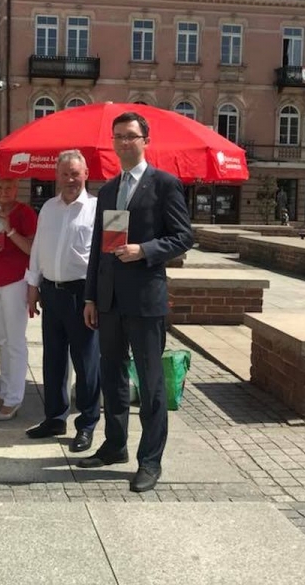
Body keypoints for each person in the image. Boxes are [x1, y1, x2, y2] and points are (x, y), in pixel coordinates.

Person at [81, 112, 193, 493]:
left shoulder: (164, 185)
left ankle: (150, 460)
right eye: (118, 136)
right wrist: (91, 296)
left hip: (145, 301)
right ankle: (115, 445)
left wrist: (143, 250)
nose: (124, 142)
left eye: (131, 136)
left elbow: (183, 237)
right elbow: (97, 248)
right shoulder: (108, 190)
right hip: (109, 301)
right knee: (111, 376)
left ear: (146, 140)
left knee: (150, 383)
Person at [24, 150, 100, 453]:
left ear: (86, 174)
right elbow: (38, 248)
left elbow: (101, 258)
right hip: (51, 293)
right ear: (56, 176)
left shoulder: (96, 209)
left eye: (75, 173)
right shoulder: (48, 208)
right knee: (53, 360)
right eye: (65, 174)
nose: (70, 179)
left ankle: (87, 424)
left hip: (82, 295)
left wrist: (94, 297)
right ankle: (55, 418)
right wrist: (33, 285)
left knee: (86, 362)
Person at [0, 178, 37, 421]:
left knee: (15, 341)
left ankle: (14, 398)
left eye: (8, 187)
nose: (3, 191)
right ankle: (5, 392)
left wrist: (10, 230)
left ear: (16, 189)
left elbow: (32, 249)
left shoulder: (25, 213)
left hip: (15, 281)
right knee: (2, 339)